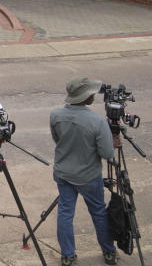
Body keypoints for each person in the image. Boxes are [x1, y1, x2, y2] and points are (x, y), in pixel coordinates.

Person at [50, 76, 120, 266]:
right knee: (98, 212)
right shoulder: (97, 121)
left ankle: (68, 255)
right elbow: (107, 153)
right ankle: (108, 252)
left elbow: (59, 140)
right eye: (91, 93)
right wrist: (112, 143)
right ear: (85, 97)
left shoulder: (55, 115)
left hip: (64, 173)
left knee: (65, 213)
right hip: (89, 176)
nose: (94, 95)